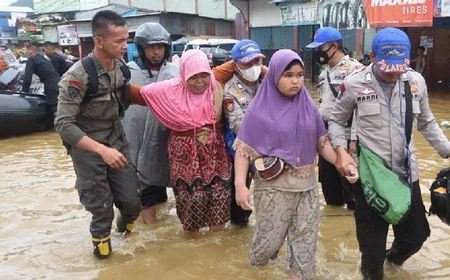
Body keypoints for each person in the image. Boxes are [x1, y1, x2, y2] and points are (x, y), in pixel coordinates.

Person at [329, 28, 450, 280]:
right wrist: (341, 152)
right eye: (386, 66)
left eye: (399, 66)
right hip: (370, 176)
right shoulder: (353, 84)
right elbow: (337, 121)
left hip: (406, 174)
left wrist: (447, 151)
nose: (393, 72)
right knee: (371, 253)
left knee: (416, 236)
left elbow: (427, 123)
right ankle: (374, 267)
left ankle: (393, 260)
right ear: (372, 57)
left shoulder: (415, 82)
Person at [234, 49, 358, 280]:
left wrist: (344, 163)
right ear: (274, 76)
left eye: (300, 75)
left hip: (307, 189)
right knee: (267, 246)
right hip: (273, 189)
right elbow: (243, 151)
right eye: (288, 75)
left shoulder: (308, 107)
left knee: (304, 249)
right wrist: (240, 186)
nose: (296, 81)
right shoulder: (258, 111)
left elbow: (322, 144)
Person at [54, 10, 141, 259]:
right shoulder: (77, 76)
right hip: (88, 147)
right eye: (119, 41)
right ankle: (104, 261)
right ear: (99, 40)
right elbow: (63, 124)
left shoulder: (122, 69)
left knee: (132, 203)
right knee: (101, 209)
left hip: (116, 139)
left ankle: (126, 236)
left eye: (127, 39)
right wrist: (102, 151)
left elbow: (128, 96)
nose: (125, 46)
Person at [129, 49, 233, 232]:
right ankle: (191, 243)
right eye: (193, 77)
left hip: (216, 155)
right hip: (184, 156)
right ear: (184, 74)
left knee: (219, 199)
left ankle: (216, 247)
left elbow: (240, 63)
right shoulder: (168, 90)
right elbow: (135, 94)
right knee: (189, 202)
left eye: (204, 75)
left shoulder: (216, 84)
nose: (200, 82)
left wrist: (266, 71)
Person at [121, 22, 179, 225]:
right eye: (151, 47)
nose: (156, 52)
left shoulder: (175, 72)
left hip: (164, 141)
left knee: (167, 182)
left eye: (160, 47)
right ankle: (151, 231)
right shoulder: (126, 72)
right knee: (145, 190)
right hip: (135, 141)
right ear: (141, 49)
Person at [306, 26, 362, 210]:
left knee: (352, 191)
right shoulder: (324, 73)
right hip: (326, 136)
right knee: (330, 190)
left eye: (320, 48)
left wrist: (354, 139)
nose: (317, 52)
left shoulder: (355, 69)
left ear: (334, 46)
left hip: (346, 137)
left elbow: (360, 108)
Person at [223, 39, 265, 225]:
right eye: (248, 63)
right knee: (239, 210)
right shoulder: (229, 91)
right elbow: (238, 124)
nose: (253, 67)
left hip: (269, 151)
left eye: (257, 62)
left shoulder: (268, 83)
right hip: (239, 152)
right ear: (236, 64)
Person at [22, 44, 61, 117]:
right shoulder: (43, 58)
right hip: (58, 82)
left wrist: (24, 92)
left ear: (30, 52)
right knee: (58, 105)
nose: (26, 54)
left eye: (27, 52)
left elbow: (27, 77)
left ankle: (59, 125)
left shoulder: (31, 59)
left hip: (51, 86)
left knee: (54, 109)